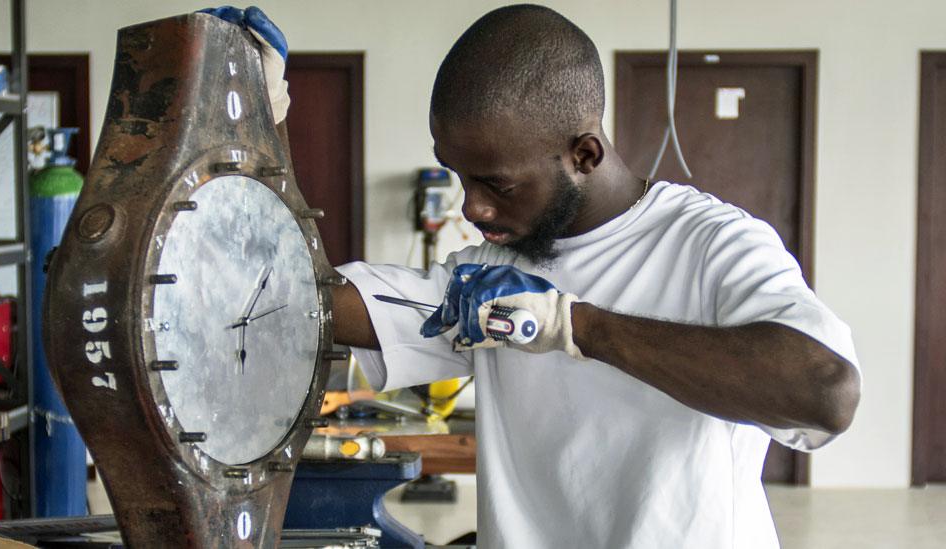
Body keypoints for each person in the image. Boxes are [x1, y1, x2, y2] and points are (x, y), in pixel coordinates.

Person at [215, 4, 861, 547]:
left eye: (496, 182)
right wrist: (262, 124)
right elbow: (302, 301)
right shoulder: (489, 279)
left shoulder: (713, 245)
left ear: (584, 154)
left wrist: (574, 325)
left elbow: (826, 392)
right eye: (460, 175)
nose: (472, 207)